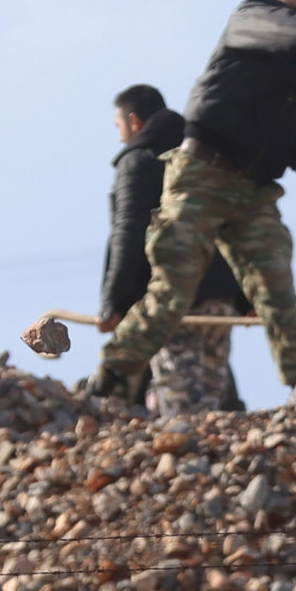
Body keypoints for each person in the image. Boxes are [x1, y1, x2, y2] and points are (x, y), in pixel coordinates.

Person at [82, 0, 296, 400]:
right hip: (202, 174)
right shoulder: (252, 17)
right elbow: (288, 30)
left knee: (275, 285)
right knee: (173, 288)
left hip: (254, 192)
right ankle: (113, 372)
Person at [101, 83, 248, 415]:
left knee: (180, 405)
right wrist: (245, 295)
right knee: (212, 404)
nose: (121, 136)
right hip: (220, 301)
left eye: (120, 126)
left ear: (134, 122)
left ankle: (189, 459)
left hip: (173, 300)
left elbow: (128, 231)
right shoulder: (201, 157)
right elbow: (235, 223)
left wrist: (114, 300)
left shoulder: (138, 162)